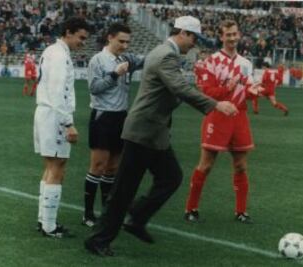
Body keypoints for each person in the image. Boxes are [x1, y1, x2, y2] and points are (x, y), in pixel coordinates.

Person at [84, 15, 238, 256]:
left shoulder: (163, 52)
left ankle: (137, 217)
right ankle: (99, 239)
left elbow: (174, 89)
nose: (194, 45)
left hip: (154, 132)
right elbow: (179, 88)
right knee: (124, 190)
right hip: (143, 131)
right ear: (184, 34)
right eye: (194, 39)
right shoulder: (166, 55)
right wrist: (216, 105)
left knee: (171, 176)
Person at [184, 20, 263, 224]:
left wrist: (252, 92)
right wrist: (228, 87)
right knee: (206, 164)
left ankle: (241, 212)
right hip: (218, 115)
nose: (232, 38)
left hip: (239, 116)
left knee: (241, 165)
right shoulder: (210, 62)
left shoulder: (245, 63)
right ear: (221, 37)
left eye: (235, 34)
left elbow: (245, 90)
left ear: (239, 34)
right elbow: (208, 93)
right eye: (228, 35)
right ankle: (191, 208)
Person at [82, 23, 144, 227]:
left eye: (128, 42)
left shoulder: (126, 58)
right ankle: (88, 214)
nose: (125, 46)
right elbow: (94, 88)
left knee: (113, 168)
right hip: (103, 117)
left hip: (121, 117)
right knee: (98, 166)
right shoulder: (97, 60)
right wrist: (115, 74)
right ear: (110, 38)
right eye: (121, 41)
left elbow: (147, 61)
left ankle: (106, 212)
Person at [34, 17, 89, 238]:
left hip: (46, 113)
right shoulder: (59, 55)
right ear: (68, 32)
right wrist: (69, 123)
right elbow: (58, 92)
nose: (83, 42)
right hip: (54, 115)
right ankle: (49, 226)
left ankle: (43, 220)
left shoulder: (53, 51)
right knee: (58, 167)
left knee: (50, 167)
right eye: (81, 37)